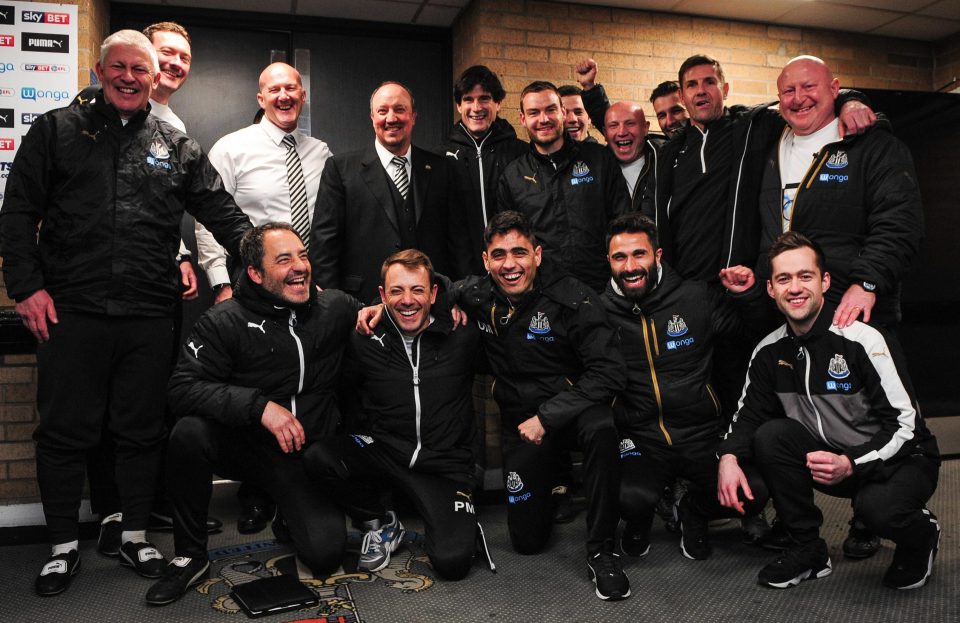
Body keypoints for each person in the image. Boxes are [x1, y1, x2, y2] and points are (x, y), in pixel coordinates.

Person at [0, 30, 252, 597]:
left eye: (141, 70)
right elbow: (17, 214)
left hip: (146, 311)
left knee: (140, 432)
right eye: (120, 67)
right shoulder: (55, 131)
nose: (131, 78)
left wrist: (263, 253)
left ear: (152, 77)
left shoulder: (176, 145)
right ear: (98, 69)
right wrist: (27, 288)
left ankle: (136, 534)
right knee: (65, 433)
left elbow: (220, 210)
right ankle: (63, 546)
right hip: (71, 310)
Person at [145, 223, 355, 605]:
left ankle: (286, 514)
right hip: (247, 449)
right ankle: (189, 556)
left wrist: (445, 302)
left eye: (303, 255)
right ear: (255, 274)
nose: (300, 266)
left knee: (325, 555)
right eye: (284, 259)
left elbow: (396, 305)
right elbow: (181, 389)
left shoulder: (334, 308)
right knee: (188, 434)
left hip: (304, 456)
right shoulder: (224, 321)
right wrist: (259, 407)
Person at [718, 232, 940, 590]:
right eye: (784, 279)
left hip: (900, 460)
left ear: (824, 282)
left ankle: (922, 536)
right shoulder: (768, 351)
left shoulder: (863, 339)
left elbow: (906, 428)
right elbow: (747, 417)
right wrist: (727, 459)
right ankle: (808, 549)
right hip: (833, 463)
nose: (795, 288)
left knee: (878, 509)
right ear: (771, 289)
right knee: (770, 435)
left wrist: (852, 463)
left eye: (805, 276)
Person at [452, 211, 630, 601]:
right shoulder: (478, 293)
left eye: (519, 252)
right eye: (498, 255)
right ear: (485, 261)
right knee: (526, 542)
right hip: (523, 424)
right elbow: (436, 286)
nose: (509, 264)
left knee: (602, 430)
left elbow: (609, 374)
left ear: (537, 254)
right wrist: (383, 308)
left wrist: (548, 417)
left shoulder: (574, 297)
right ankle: (555, 484)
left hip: (575, 409)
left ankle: (602, 549)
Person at [307, 249, 484, 580]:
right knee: (321, 456)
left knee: (453, 562)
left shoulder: (463, 334)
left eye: (417, 290)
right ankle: (380, 522)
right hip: (386, 450)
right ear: (381, 295)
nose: (407, 301)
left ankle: (458, 520)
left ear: (434, 293)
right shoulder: (365, 337)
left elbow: (486, 291)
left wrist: (451, 301)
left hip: (444, 465)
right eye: (396, 291)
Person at [601, 213, 770, 560]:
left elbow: (755, 335)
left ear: (658, 255)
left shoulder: (696, 298)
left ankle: (693, 509)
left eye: (639, 254)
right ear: (609, 262)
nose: (631, 266)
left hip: (701, 435)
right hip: (641, 438)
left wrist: (748, 296)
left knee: (752, 491)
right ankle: (643, 513)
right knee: (628, 498)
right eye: (620, 257)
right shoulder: (598, 312)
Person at [757, 55, 923, 332]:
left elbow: (900, 224)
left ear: (835, 90)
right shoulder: (769, 147)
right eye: (789, 91)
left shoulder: (874, 147)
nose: (799, 98)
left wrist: (866, 283)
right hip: (785, 315)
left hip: (851, 310)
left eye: (809, 86)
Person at [312, 81, 467, 304]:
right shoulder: (340, 169)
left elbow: (457, 242)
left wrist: (455, 298)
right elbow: (324, 246)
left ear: (413, 116)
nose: (391, 118)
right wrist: (332, 307)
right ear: (372, 117)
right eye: (382, 111)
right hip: (362, 304)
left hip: (431, 304)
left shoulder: (441, 169)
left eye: (400, 109)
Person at [196, 62, 332, 305]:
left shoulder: (321, 153)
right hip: (253, 281)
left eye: (290, 88)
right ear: (261, 99)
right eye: (274, 90)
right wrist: (221, 284)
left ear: (302, 96)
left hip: (311, 284)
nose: (283, 96)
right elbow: (208, 219)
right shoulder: (231, 149)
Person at [496, 81, 631, 293]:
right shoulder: (512, 176)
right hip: (544, 296)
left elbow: (623, 222)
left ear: (563, 112)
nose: (543, 119)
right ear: (523, 119)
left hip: (602, 291)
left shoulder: (599, 160)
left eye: (550, 110)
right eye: (534, 112)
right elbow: (511, 244)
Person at [443, 65, 527, 275]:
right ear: (459, 106)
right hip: (462, 277)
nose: (476, 107)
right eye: (468, 99)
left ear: (498, 103)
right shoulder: (441, 158)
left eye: (484, 99)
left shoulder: (521, 154)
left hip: (514, 272)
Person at [603, 102, 662, 214]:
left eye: (630, 123)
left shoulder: (665, 160)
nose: (622, 132)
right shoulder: (597, 168)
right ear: (605, 133)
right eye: (613, 125)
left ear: (645, 128)